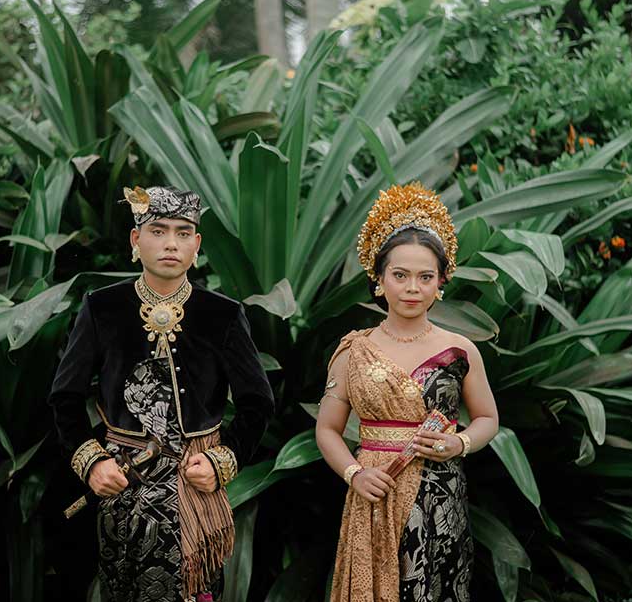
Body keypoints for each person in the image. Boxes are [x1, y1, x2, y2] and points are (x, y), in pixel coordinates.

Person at [48, 185, 275, 602]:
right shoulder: (102, 308)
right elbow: (65, 397)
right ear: (136, 239)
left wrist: (222, 460)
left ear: (197, 244)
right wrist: (93, 463)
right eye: (158, 230)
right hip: (122, 484)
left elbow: (257, 403)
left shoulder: (223, 315)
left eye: (183, 232)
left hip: (196, 484)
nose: (171, 243)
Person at [316, 182, 500, 602]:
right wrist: (355, 474)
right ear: (379, 279)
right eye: (400, 275)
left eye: (425, 277)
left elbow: (488, 418)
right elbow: (327, 429)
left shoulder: (461, 350)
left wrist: (459, 443)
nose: (412, 288)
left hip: (440, 494)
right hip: (374, 490)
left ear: (441, 283)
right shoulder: (353, 350)